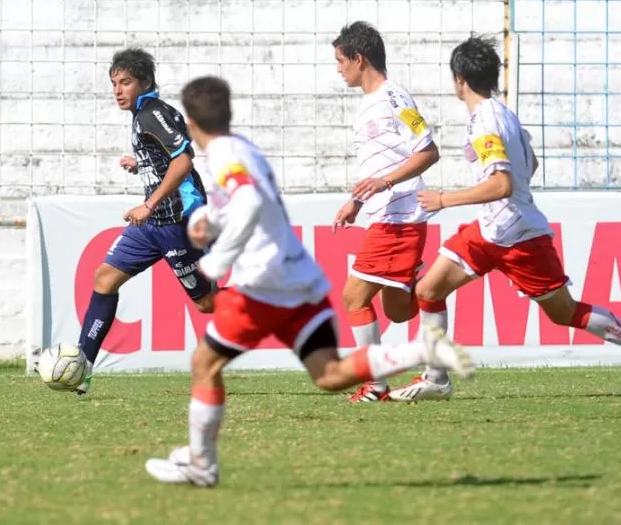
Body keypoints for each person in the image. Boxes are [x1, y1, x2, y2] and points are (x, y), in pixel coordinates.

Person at [144, 76, 474, 487]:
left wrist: (218, 262)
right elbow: (250, 204)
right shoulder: (242, 148)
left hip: (263, 285)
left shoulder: (224, 154)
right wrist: (211, 222)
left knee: (205, 363)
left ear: (190, 122)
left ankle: (201, 465)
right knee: (330, 374)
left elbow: (246, 201)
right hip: (300, 279)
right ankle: (423, 349)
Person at [411, 35, 621, 398]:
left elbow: (502, 184)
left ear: (460, 79)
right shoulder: (503, 114)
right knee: (429, 288)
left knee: (564, 312)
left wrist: (444, 199)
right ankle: (436, 379)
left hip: (518, 236)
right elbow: (530, 164)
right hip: (493, 229)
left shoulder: (485, 122)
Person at [74, 48, 216, 395]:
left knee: (206, 303)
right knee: (105, 279)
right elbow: (166, 159)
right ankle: (80, 368)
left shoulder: (153, 113)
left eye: (126, 82)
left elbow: (184, 159)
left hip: (176, 222)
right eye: (114, 83)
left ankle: (264, 301)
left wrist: (149, 204)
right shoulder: (141, 115)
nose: (118, 90)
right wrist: (143, 164)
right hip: (153, 225)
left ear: (146, 82)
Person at [329, 21, 450, 403]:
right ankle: (430, 292)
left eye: (340, 60)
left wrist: (384, 185)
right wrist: (358, 201)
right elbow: (377, 168)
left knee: (353, 298)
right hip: (385, 216)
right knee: (398, 310)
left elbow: (428, 152)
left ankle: (376, 384)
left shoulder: (395, 98)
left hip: (398, 219)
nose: (338, 68)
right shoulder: (369, 104)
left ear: (358, 59)